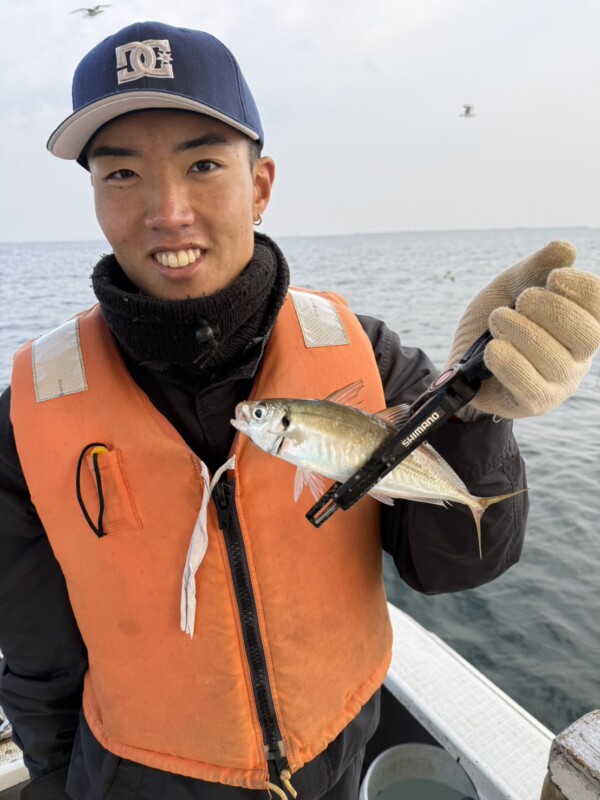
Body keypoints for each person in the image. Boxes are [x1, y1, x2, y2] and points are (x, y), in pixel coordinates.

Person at [1, 20, 599, 800]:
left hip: (335, 760)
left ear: (261, 186)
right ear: (94, 196)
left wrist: (482, 413)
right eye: (120, 175)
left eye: (204, 164)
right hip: (137, 778)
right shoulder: (30, 415)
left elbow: (454, 564)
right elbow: (36, 650)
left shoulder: (365, 353)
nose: (167, 210)